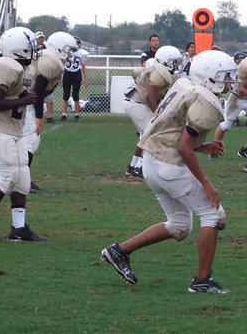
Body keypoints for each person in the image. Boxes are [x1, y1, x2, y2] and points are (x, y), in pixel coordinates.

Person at [101, 50, 235, 293]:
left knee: (180, 225)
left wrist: (202, 146)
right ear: (210, 77)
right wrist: (206, 182)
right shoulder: (206, 100)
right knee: (214, 216)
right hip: (168, 165)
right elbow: (183, 147)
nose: (229, 82)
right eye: (225, 76)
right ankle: (202, 281)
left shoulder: (184, 84)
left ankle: (119, 251)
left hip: (152, 162)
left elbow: (172, 131)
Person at [0, 27, 46, 242]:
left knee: (22, 177)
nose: (34, 50)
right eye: (30, 47)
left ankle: (19, 229)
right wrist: (23, 100)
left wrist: (24, 96)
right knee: (8, 177)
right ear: (18, 49)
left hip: (13, 127)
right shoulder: (5, 66)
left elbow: (17, 92)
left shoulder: (25, 68)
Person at [25, 31, 75, 195]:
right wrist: (40, 117)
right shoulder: (50, 61)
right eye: (67, 50)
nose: (69, 55)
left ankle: (23, 180)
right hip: (26, 104)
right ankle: (22, 181)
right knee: (31, 142)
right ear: (59, 48)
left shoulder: (48, 57)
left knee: (29, 142)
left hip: (25, 102)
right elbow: (38, 92)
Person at [123, 45, 182, 178]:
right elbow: (150, 97)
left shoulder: (156, 66)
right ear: (165, 60)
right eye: (174, 62)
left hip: (134, 102)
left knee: (145, 135)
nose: (176, 65)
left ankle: (133, 166)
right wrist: (158, 115)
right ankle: (139, 168)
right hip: (137, 104)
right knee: (153, 135)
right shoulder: (160, 71)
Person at [60, 36, 89, 122]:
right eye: (75, 43)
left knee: (76, 95)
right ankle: (64, 114)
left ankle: (77, 114)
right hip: (67, 73)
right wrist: (60, 77)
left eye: (77, 43)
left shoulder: (82, 53)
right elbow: (61, 65)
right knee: (65, 95)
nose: (76, 45)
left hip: (76, 74)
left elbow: (83, 66)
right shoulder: (66, 52)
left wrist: (86, 79)